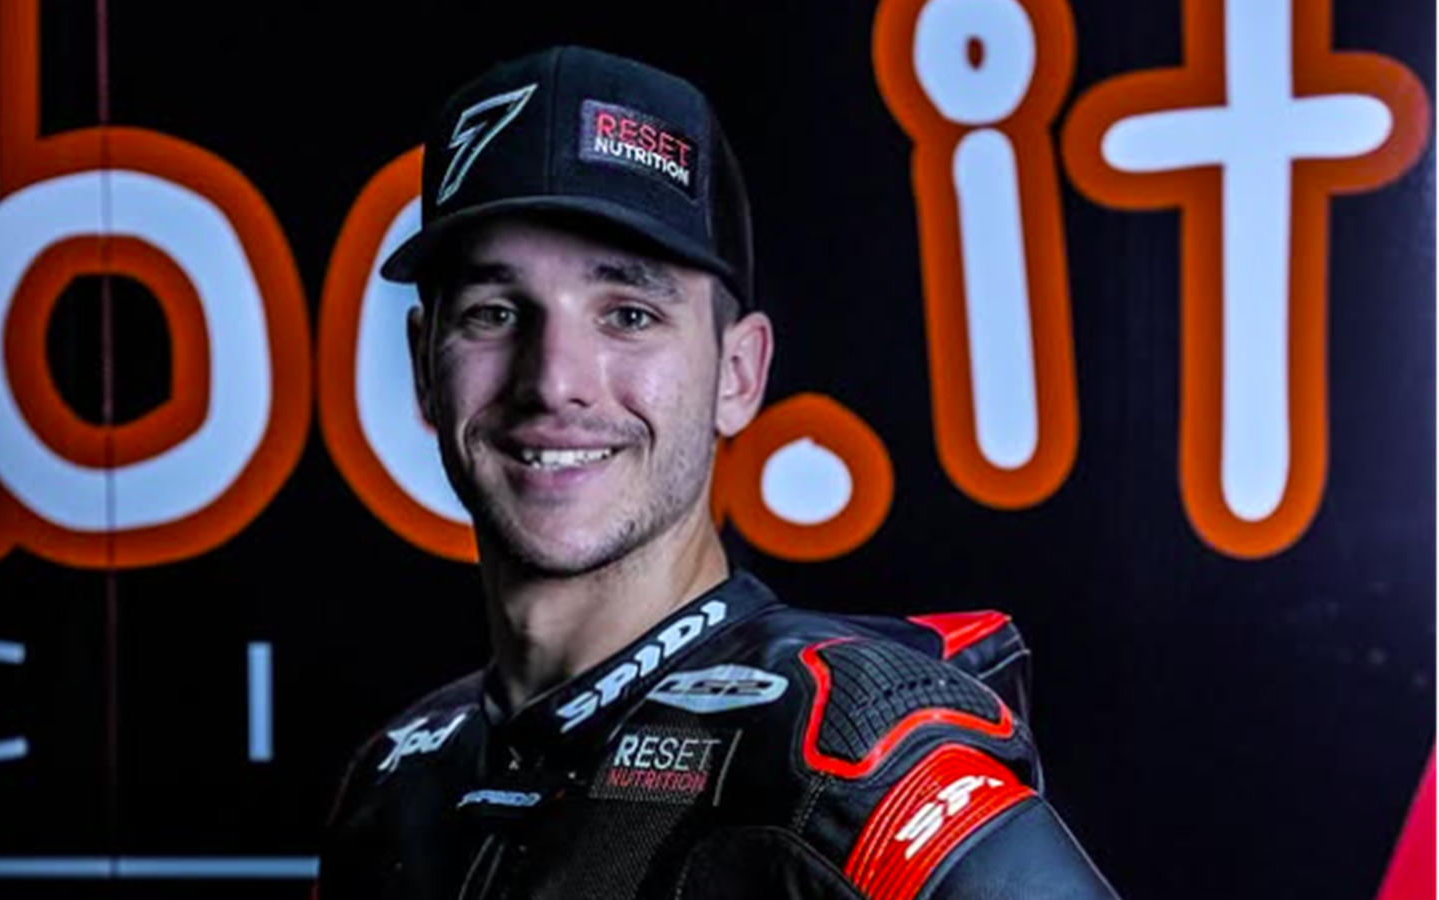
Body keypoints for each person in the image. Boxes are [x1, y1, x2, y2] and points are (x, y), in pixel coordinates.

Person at [316, 45, 1118, 899]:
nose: (553, 381)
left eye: (629, 315)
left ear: (738, 374)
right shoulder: (398, 775)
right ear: (423, 365)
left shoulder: (842, 748)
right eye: (495, 313)